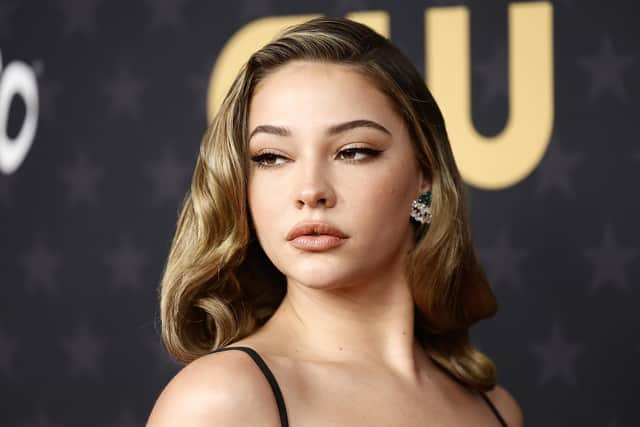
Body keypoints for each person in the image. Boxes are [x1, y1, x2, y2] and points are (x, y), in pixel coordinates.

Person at [147, 16, 524, 427]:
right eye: (271, 157)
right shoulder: (221, 401)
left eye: (353, 151)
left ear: (425, 178)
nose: (310, 190)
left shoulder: (495, 410)